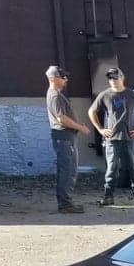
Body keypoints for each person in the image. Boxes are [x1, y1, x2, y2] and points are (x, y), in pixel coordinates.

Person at [89, 67, 134, 207]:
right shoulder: (105, 95)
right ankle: (108, 197)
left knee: (133, 169)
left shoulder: (132, 95)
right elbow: (91, 111)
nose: (112, 80)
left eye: (115, 77)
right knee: (111, 170)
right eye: (110, 78)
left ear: (122, 78)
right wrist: (100, 129)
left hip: (129, 139)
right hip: (112, 140)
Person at [45, 65, 89, 214]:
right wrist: (80, 127)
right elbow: (61, 118)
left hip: (64, 137)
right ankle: (65, 204)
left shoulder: (55, 94)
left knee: (67, 169)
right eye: (62, 77)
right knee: (68, 170)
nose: (66, 79)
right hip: (64, 138)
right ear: (54, 78)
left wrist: (76, 124)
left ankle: (65, 202)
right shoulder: (55, 95)